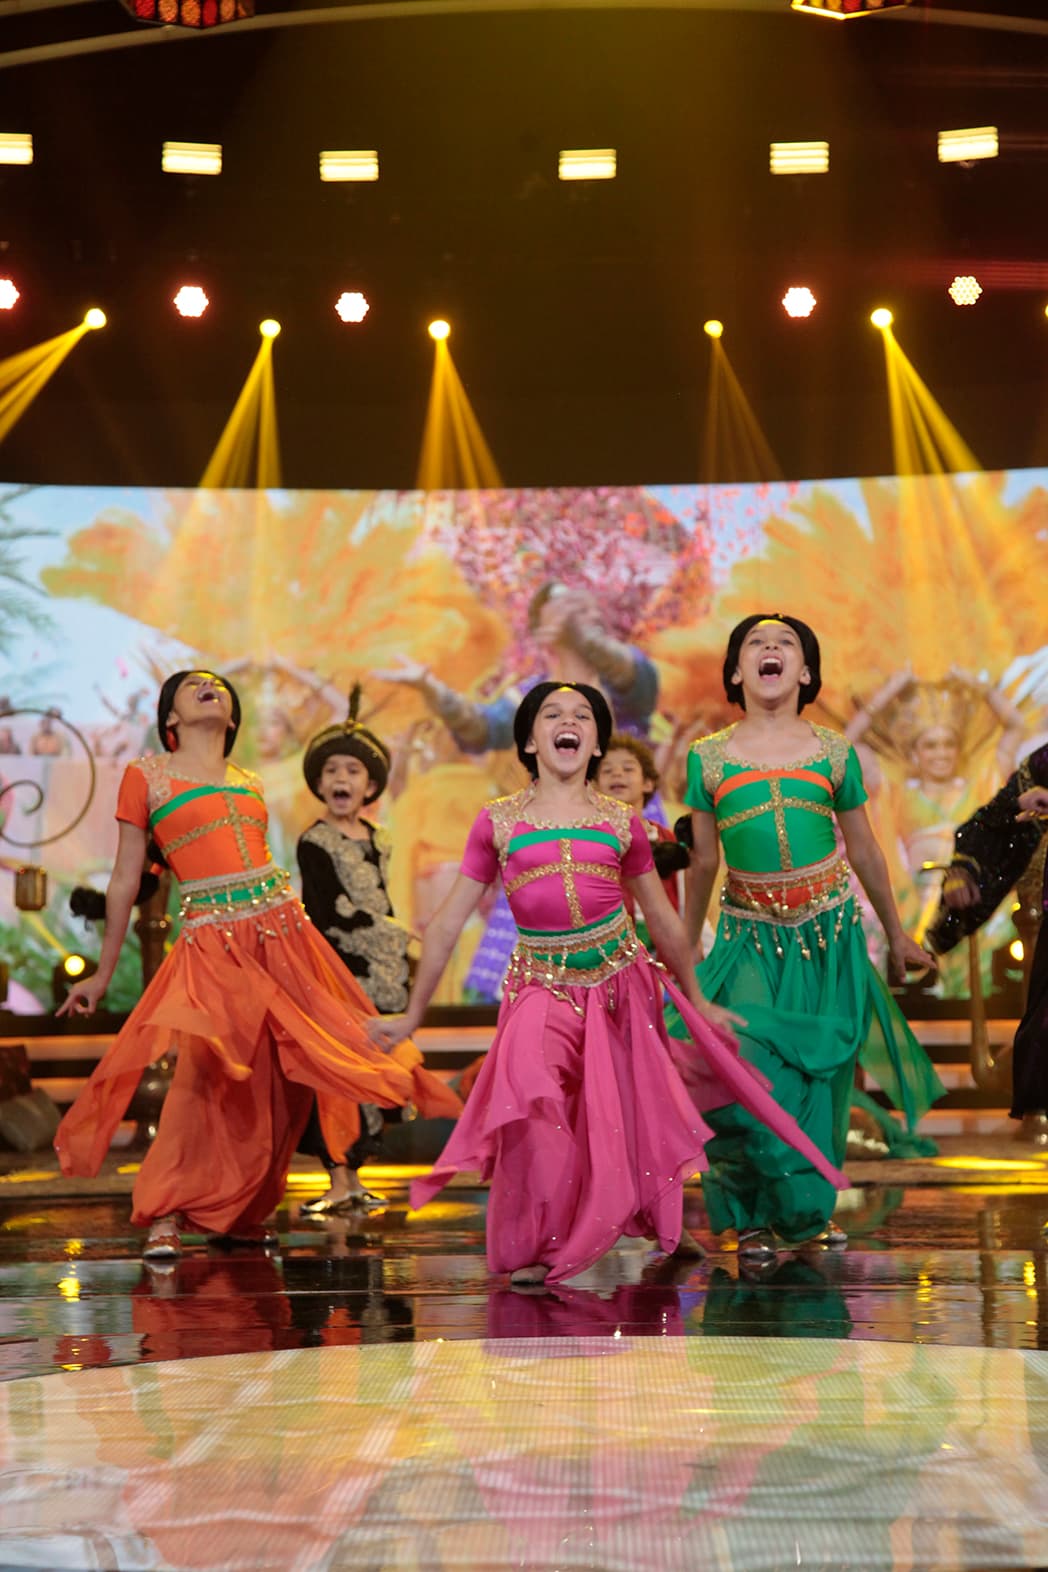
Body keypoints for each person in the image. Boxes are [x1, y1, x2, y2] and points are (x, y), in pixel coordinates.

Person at [368, 680, 847, 1288]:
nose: (568, 723)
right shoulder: (498, 823)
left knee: (630, 1113)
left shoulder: (623, 824)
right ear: (530, 738)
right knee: (531, 1097)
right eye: (552, 714)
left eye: (582, 716)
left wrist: (698, 998)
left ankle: (657, 1220)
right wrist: (411, 1016)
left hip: (621, 986)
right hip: (539, 984)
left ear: (594, 742)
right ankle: (539, 1243)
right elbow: (444, 925)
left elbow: (667, 924)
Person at [53, 670, 429, 1260]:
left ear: (231, 721)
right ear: (169, 717)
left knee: (278, 1079)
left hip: (282, 931)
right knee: (204, 1073)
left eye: (220, 686)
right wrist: (102, 972)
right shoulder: (145, 776)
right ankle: (166, 1211)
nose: (212, 687)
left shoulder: (249, 781)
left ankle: (240, 1210)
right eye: (194, 684)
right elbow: (127, 879)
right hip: (211, 941)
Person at [676, 615, 943, 1263]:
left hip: (831, 936)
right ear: (737, 673)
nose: (771, 649)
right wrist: (682, 952)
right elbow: (704, 863)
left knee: (818, 1084)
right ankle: (757, 1212)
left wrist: (900, 934)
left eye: (785, 644)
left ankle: (802, 1216)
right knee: (745, 1070)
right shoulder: (707, 758)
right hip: (748, 940)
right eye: (755, 646)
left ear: (805, 673)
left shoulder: (833, 753)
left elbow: (866, 850)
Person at [295, 691, 460, 1215]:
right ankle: (338, 1179)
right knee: (336, 1081)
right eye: (332, 771)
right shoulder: (314, 841)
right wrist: (394, 932)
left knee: (373, 1080)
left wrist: (398, 948)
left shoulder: (380, 837)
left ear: (371, 784)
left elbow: (382, 897)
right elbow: (327, 914)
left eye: (353, 770)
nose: (342, 779)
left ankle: (356, 1178)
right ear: (319, 783)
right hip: (336, 976)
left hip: (384, 978)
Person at [595, 733, 689, 944]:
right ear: (595, 787)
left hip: (662, 958)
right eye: (607, 770)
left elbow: (685, 906)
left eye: (628, 769)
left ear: (647, 783)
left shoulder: (667, 840)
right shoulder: (586, 843)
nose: (617, 774)